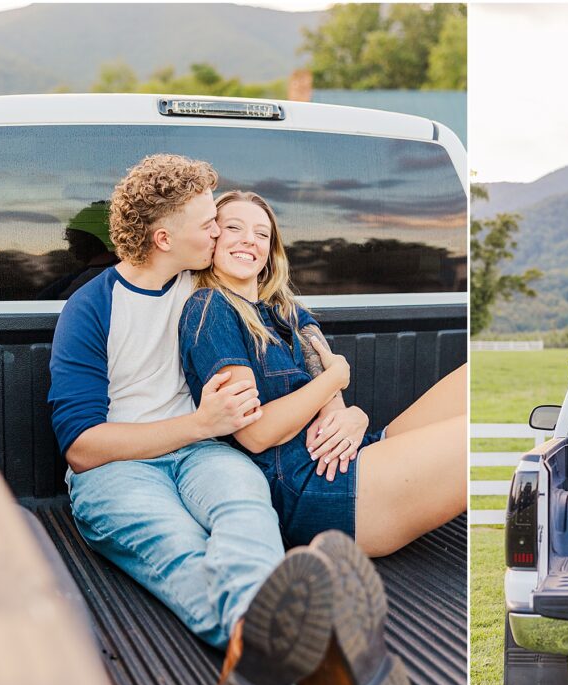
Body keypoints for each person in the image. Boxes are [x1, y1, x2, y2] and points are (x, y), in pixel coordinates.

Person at [48, 155, 411, 685]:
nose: (221, 232)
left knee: (246, 516)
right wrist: (198, 423)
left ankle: (273, 651)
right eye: (208, 222)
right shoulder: (92, 308)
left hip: (204, 453)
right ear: (165, 238)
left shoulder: (211, 284)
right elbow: (83, 448)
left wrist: (346, 403)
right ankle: (304, 656)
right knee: (180, 550)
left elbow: (307, 336)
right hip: (119, 468)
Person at [178, 190, 467, 559]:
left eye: (262, 234)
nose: (249, 239)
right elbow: (255, 433)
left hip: (345, 457)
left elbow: (335, 411)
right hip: (309, 489)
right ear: (213, 240)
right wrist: (335, 376)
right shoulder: (209, 309)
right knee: (470, 434)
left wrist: (354, 416)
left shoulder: (290, 312)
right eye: (234, 228)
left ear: (270, 250)